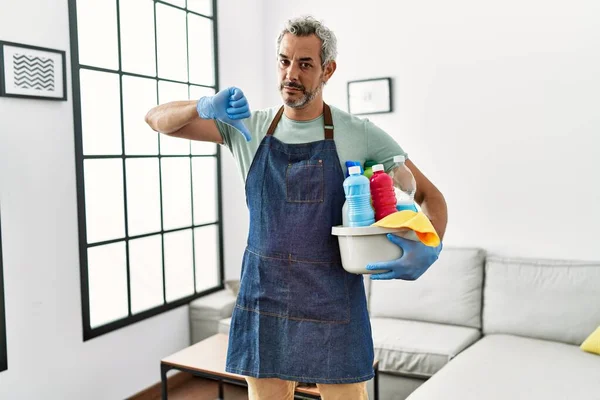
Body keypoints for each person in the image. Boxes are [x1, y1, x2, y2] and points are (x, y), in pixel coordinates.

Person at [145, 15, 447, 400]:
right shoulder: (246, 128)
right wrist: (203, 105)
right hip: (264, 300)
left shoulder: (359, 133)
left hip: (334, 304)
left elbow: (430, 197)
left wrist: (431, 245)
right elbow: (156, 120)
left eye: (305, 64)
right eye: (285, 61)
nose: (292, 73)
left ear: (328, 70)